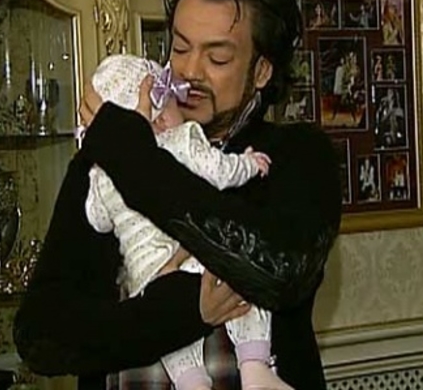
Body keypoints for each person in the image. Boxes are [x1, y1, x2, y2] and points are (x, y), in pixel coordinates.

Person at [14, 0, 342, 390]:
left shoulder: (296, 155)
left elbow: (281, 270)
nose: (188, 71)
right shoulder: (108, 160)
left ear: (262, 70)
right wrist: (181, 312)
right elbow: (40, 335)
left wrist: (138, 162)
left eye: (217, 58)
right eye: (180, 47)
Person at [85, 53, 289, 390]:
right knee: (241, 286)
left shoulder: (101, 174)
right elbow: (220, 171)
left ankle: (191, 382)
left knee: (170, 334)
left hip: (144, 274)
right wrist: (249, 163)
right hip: (192, 262)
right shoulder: (181, 140)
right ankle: (255, 366)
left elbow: (97, 219)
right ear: (162, 116)